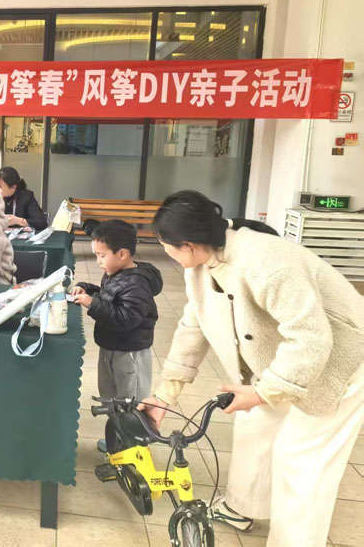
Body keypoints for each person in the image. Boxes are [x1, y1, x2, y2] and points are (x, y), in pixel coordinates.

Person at [137, 190, 364, 547]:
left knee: (301, 459)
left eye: (166, 246)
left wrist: (262, 392)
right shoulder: (200, 264)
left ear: (188, 245)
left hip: (341, 362)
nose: (166, 252)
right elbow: (194, 326)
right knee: (254, 426)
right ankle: (241, 508)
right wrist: (166, 394)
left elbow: (312, 339)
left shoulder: (266, 263)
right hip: (284, 357)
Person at [72, 220, 162, 451]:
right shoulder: (117, 273)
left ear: (122, 254)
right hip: (111, 346)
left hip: (130, 353)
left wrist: (93, 304)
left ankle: (133, 449)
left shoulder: (136, 284)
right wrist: (87, 288)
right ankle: (118, 440)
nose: (98, 261)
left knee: (130, 402)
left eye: (101, 256)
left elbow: (126, 318)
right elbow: (108, 295)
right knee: (111, 398)